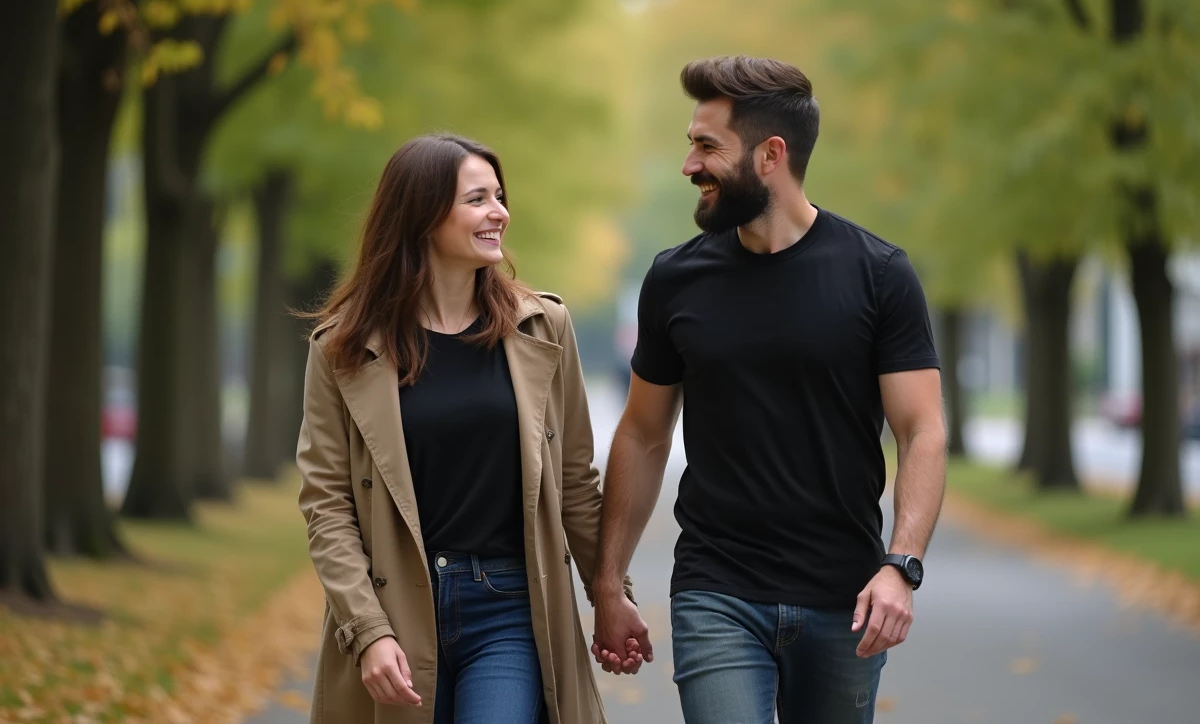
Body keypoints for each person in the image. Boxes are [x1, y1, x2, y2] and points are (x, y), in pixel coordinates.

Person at [590, 56, 947, 724]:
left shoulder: (880, 275)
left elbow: (922, 430)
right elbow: (642, 433)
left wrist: (902, 565)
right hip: (716, 590)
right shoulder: (675, 279)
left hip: (846, 599)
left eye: (706, 146)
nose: (689, 165)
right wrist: (609, 582)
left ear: (769, 155)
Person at [295, 133, 636, 724]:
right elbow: (327, 506)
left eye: (499, 196)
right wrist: (368, 630)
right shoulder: (342, 349)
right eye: (478, 199)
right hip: (396, 604)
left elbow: (575, 480)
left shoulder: (543, 327)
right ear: (422, 215)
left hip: (511, 607)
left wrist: (610, 595)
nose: (499, 212)